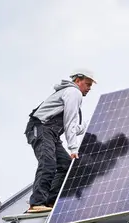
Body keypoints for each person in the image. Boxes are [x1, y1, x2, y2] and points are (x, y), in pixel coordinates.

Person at [23, 69, 96, 213]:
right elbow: (69, 123)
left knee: (65, 164)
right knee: (48, 163)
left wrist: (89, 124)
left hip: (52, 134)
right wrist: (73, 149)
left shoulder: (70, 94)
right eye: (87, 84)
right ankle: (37, 203)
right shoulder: (73, 92)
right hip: (41, 128)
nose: (89, 88)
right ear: (77, 81)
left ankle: (50, 201)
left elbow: (73, 127)